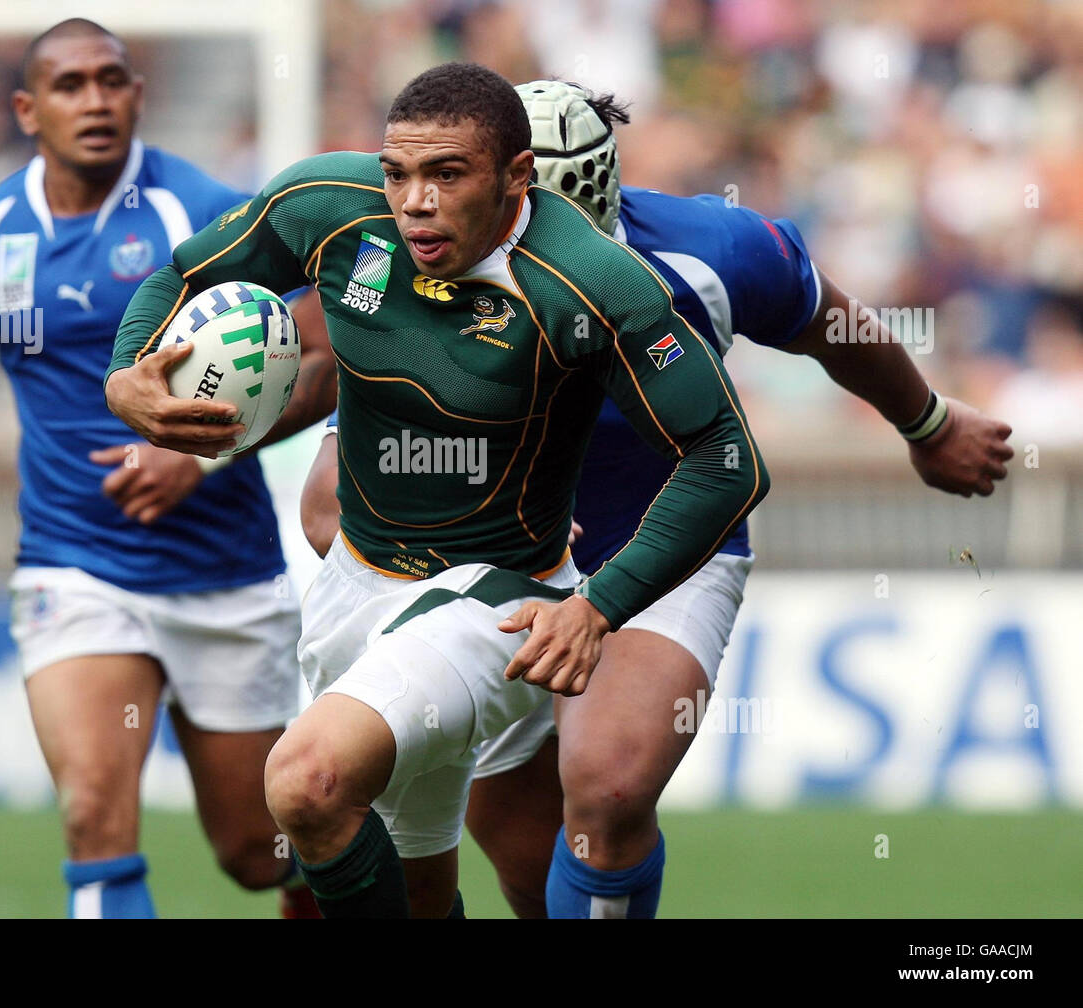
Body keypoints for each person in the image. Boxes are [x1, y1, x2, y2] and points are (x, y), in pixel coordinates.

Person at [302, 79, 1016, 918]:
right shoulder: (414, 264)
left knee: (602, 796)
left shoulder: (712, 249)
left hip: (662, 548)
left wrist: (926, 422)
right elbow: (323, 485)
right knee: (531, 868)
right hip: (493, 576)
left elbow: (830, 323)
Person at [105, 62, 769, 918]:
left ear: (515, 178)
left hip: (494, 602)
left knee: (306, 783)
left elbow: (726, 458)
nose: (413, 200)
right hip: (356, 581)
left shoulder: (591, 282)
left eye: (446, 174)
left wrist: (598, 605)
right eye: (398, 172)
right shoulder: (326, 207)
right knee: (421, 892)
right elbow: (183, 274)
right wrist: (125, 375)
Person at [0, 18, 334, 918]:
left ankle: (312, 891)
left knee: (257, 849)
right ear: (27, 107)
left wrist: (200, 457)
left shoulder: (201, 211)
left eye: (112, 80)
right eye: (71, 84)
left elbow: (322, 358)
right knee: (92, 813)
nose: (95, 99)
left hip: (224, 574)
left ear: (137, 93)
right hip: (73, 568)